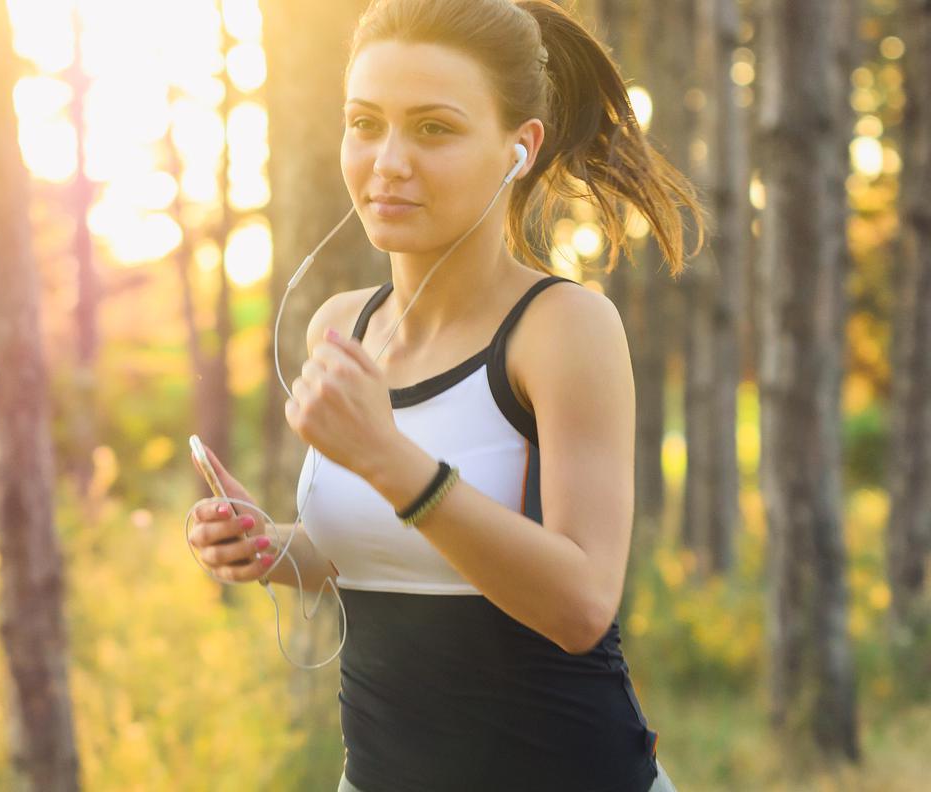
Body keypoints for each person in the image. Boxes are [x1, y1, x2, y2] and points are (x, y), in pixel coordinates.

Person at [187, 0, 704, 789]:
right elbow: (384, 555)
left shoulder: (563, 328)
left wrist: (393, 463)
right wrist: (272, 549)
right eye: (365, 123)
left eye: (433, 128)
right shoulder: (341, 326)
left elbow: (581, 605)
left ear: (518, 148)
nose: (388, 161)